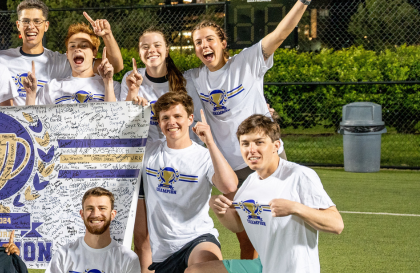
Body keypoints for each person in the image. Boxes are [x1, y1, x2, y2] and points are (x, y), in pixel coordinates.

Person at [186, 0, 309, 258]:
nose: (203, 45)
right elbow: (160, 74)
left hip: (266, 159)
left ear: (222, 43)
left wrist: (302, 3)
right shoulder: (195, 79)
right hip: (231, 168)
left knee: (280, 229)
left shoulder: (247, 62)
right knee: (247, 237)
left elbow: (280, 34)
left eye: (209, 39)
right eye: (198, 42)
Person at [186, 114, 344, 273]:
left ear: (276, 145)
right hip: (263, 267)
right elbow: (237, 225)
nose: (251, 149)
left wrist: (296, 208)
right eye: (245, 143)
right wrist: (220, 211)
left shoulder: (299, 175)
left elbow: (336, 225)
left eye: (259, 142)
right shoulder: (249, 182)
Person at [122, 27, 205, 272]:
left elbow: (194, 121)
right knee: (143, 237)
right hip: (143, 164)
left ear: (166, 50)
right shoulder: (132, 77)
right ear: (138, 51)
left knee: (180, 232)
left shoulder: (185, 82)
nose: (151, 50)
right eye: (145, 46)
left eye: (157, 45)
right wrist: (132, 94)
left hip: (177, 164)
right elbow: (121, 124)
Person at [139, 92, 238, 273]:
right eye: (165, 118)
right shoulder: (149, 152)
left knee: (204, 267)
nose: (172, 122)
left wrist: (210, 143)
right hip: (163, 252)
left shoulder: (204, 156)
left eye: (178, 116)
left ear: (190, 119)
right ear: (159, 122)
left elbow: (229, 186)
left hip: (197, 238)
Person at [0, 0, 124, 106]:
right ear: (18, 25)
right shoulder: (1, 58)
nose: (31, 26)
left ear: (46, 26)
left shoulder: (61, 61)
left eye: (37, 21)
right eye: (25, 21)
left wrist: (107, 35)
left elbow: (115, 66)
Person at [46, 187, 141, 273]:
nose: (95, 214)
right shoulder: (63, 255)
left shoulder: (128, 259)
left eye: (102, 208)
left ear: (112, 214)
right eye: (90, 208)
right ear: (82, 214)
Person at [26, 23, 118, 106]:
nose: (77, 49)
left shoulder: (112, 86)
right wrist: (30, 94)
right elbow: (31, 120)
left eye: (84, 46)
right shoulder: (52, 87)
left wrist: (108, 82)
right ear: (67, 55)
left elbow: (114, 119)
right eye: (72, 46)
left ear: (94, 53)